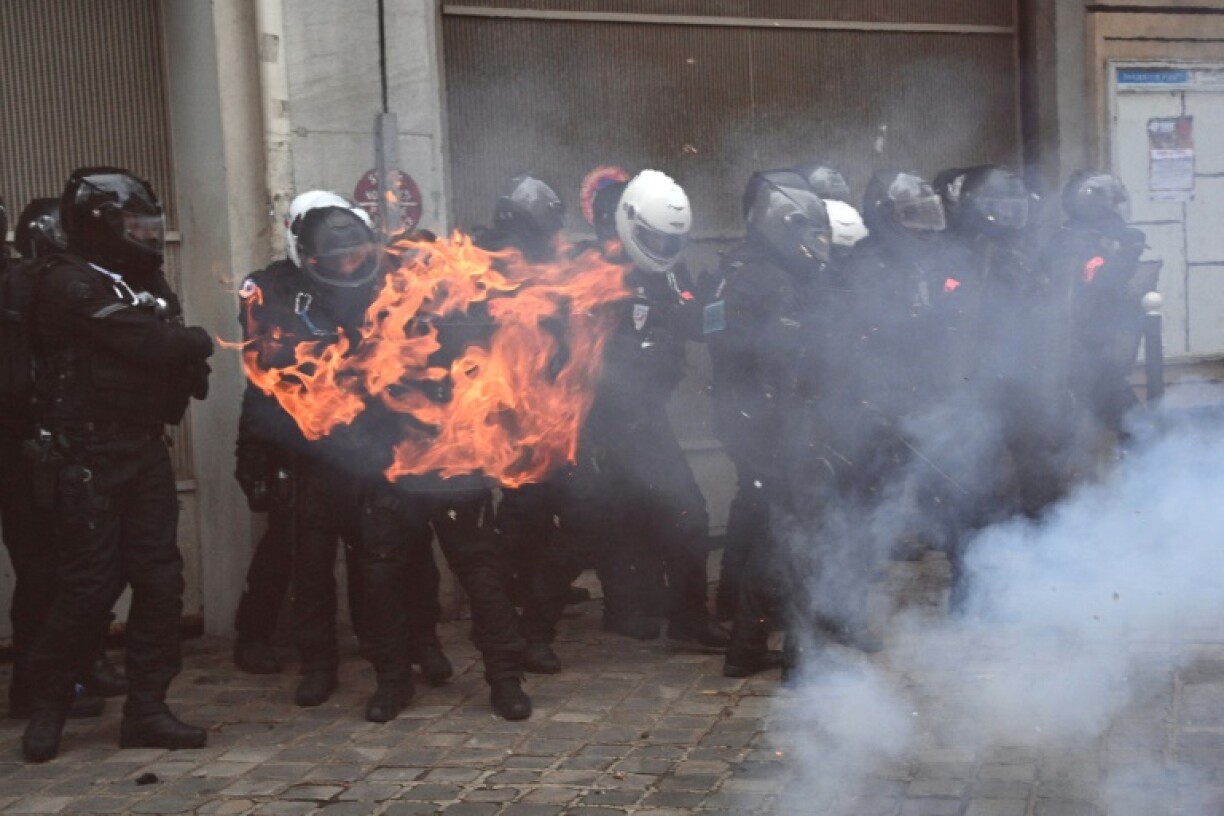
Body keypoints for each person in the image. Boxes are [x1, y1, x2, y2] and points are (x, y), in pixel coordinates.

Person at [240, 193, 528, 722]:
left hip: (450, 454)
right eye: (339, 256)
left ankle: (506, 681)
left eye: (358, 253)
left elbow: (487, 365)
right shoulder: (313, 300)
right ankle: (391, 681)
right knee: (380, 574)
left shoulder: (432, 289)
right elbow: (278, 387)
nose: (352, 264)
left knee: (481, 572)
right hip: (386, 461)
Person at [20, 167, 214, 762]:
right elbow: (153, 343)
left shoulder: (139, 278)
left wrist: (183, 354)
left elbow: (169, 348)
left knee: (160, 582)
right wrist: (191, 344)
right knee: (87, 588)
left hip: (142, 448)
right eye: (135, 225)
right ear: (100, 225)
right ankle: (47, 704)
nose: (147, 236)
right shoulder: (66, 282)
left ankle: (148, 709)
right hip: (87, 453)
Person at [582, 169, 727, 647]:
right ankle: (676, 619)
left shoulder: (668, 268)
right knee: (682, 512)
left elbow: (691, 321)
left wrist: (721, 305)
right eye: (653, 238)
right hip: (606, 419)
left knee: (632, 513)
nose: (662, 247)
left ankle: (639, 608)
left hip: (646, 412)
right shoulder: (594, 272)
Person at [706, 170, 834, 676]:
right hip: (776, 426)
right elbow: (788, 366)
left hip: (748, 422)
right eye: (803, 233)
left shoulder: (736, 270)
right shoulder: (775, 285)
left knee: (769, 528)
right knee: (792, 532)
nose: (811, 244)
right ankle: (798, 655)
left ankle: (746, 648)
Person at [1044, 171, 1154, 448]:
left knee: (1137, 430)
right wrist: (1128, 254)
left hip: (1095, 358)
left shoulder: (1095, 240)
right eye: (1111, 204)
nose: (1117, 211)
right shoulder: (1072, 244)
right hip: (1074, 360)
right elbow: (1100, 288)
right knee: (1134, 430)